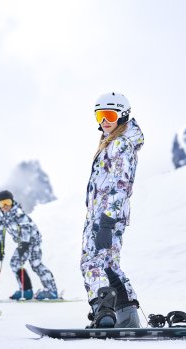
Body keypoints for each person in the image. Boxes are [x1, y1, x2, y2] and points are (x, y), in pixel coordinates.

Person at [81, 92, 144, 328]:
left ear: (123, 115)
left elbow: (120, 183)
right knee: (108, 265)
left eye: (109, 115)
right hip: (106, 215)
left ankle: (104, 312)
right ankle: (127, 314)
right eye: (100, 115)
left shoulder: (119, 145)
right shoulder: (114, 142)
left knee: (91, 264)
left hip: (106, 216)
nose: (104, 121)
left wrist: (106, 222)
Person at [0, 190, 58, 300]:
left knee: (20, 263)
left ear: (12, 202)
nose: (5, 206)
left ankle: (48, 291)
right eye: (2, 203)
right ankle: (27, 291)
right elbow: (0, 233)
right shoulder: (2, 218)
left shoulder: (19, 214)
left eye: (7, 202)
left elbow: (25, 229)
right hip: (23, 243)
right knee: (32, 264)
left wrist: (23, 245)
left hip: (31, 241)